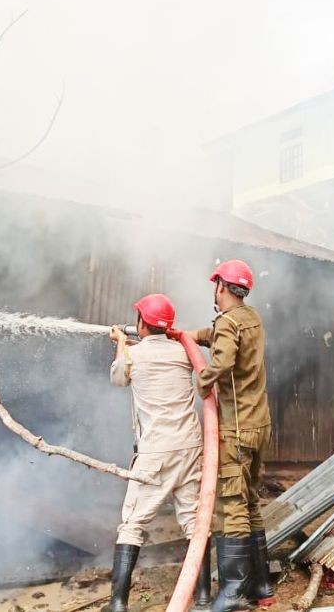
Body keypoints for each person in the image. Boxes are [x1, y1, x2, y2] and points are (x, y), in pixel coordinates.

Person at [105, 294, 211, 612]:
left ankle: (118, 604)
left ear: (141, 323)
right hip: (191, 447)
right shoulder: (183, 352)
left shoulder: (134, 355)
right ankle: (204, 599)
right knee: (196, 522)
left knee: (133, 524)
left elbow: (117, 377)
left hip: (157, 451)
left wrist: (120, 342)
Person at [191, 259, 275, 612]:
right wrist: (188, 335)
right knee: (251, 500)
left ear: (221, 287)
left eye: (216, 285)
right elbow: (220, 335)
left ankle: (232, 592)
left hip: (237, 429)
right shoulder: (250, 318)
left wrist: (202, 381)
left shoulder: (228, 323)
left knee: (230, 505)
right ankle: (261, 584)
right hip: (259, 425)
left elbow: (223, 360)